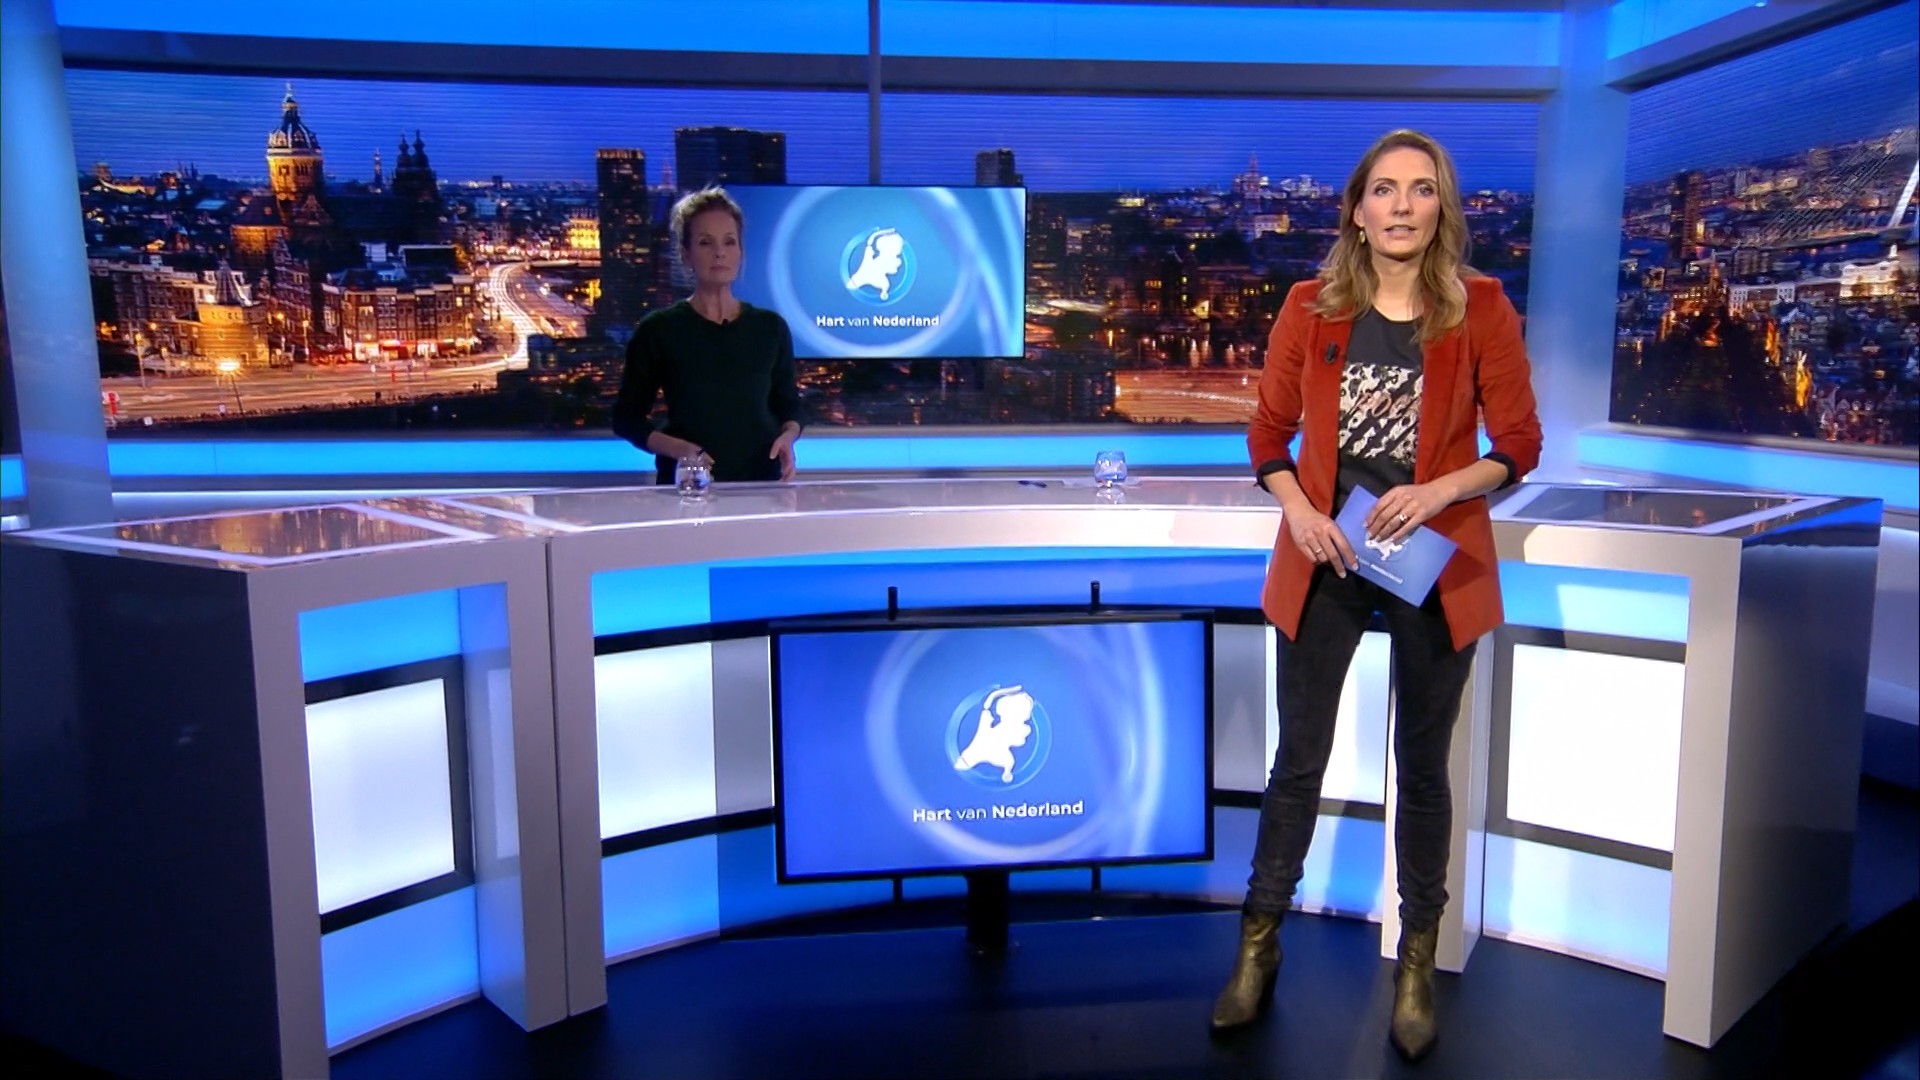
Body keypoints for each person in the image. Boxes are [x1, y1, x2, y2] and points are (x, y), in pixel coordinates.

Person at [1213, 130, 1542, 1061]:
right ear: (1357, 209)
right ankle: (1258, 947)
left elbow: (1520, 440)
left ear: (1443, 209)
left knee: (1423, 769)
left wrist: (1440, 492)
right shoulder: (1309, 306)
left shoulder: (1481, 306)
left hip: (1431, 556)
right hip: (1327, 553)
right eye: (1385, 190)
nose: (1402, 206)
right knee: (1298, 761)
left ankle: (1417, 965)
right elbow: (1268, 434)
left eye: (1421, 190)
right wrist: (1299, 511)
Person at [613, 187, 803, 484]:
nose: (719, 253)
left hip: (762, 485)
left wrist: (788, 436)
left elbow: (789, 405)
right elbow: (626, 419)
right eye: (705, 242)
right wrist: (680, 450)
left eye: (729, 241)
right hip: (690, 488)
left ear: (740, 251)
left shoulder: (770, 328)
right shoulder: (659, 330)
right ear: (685, 254)